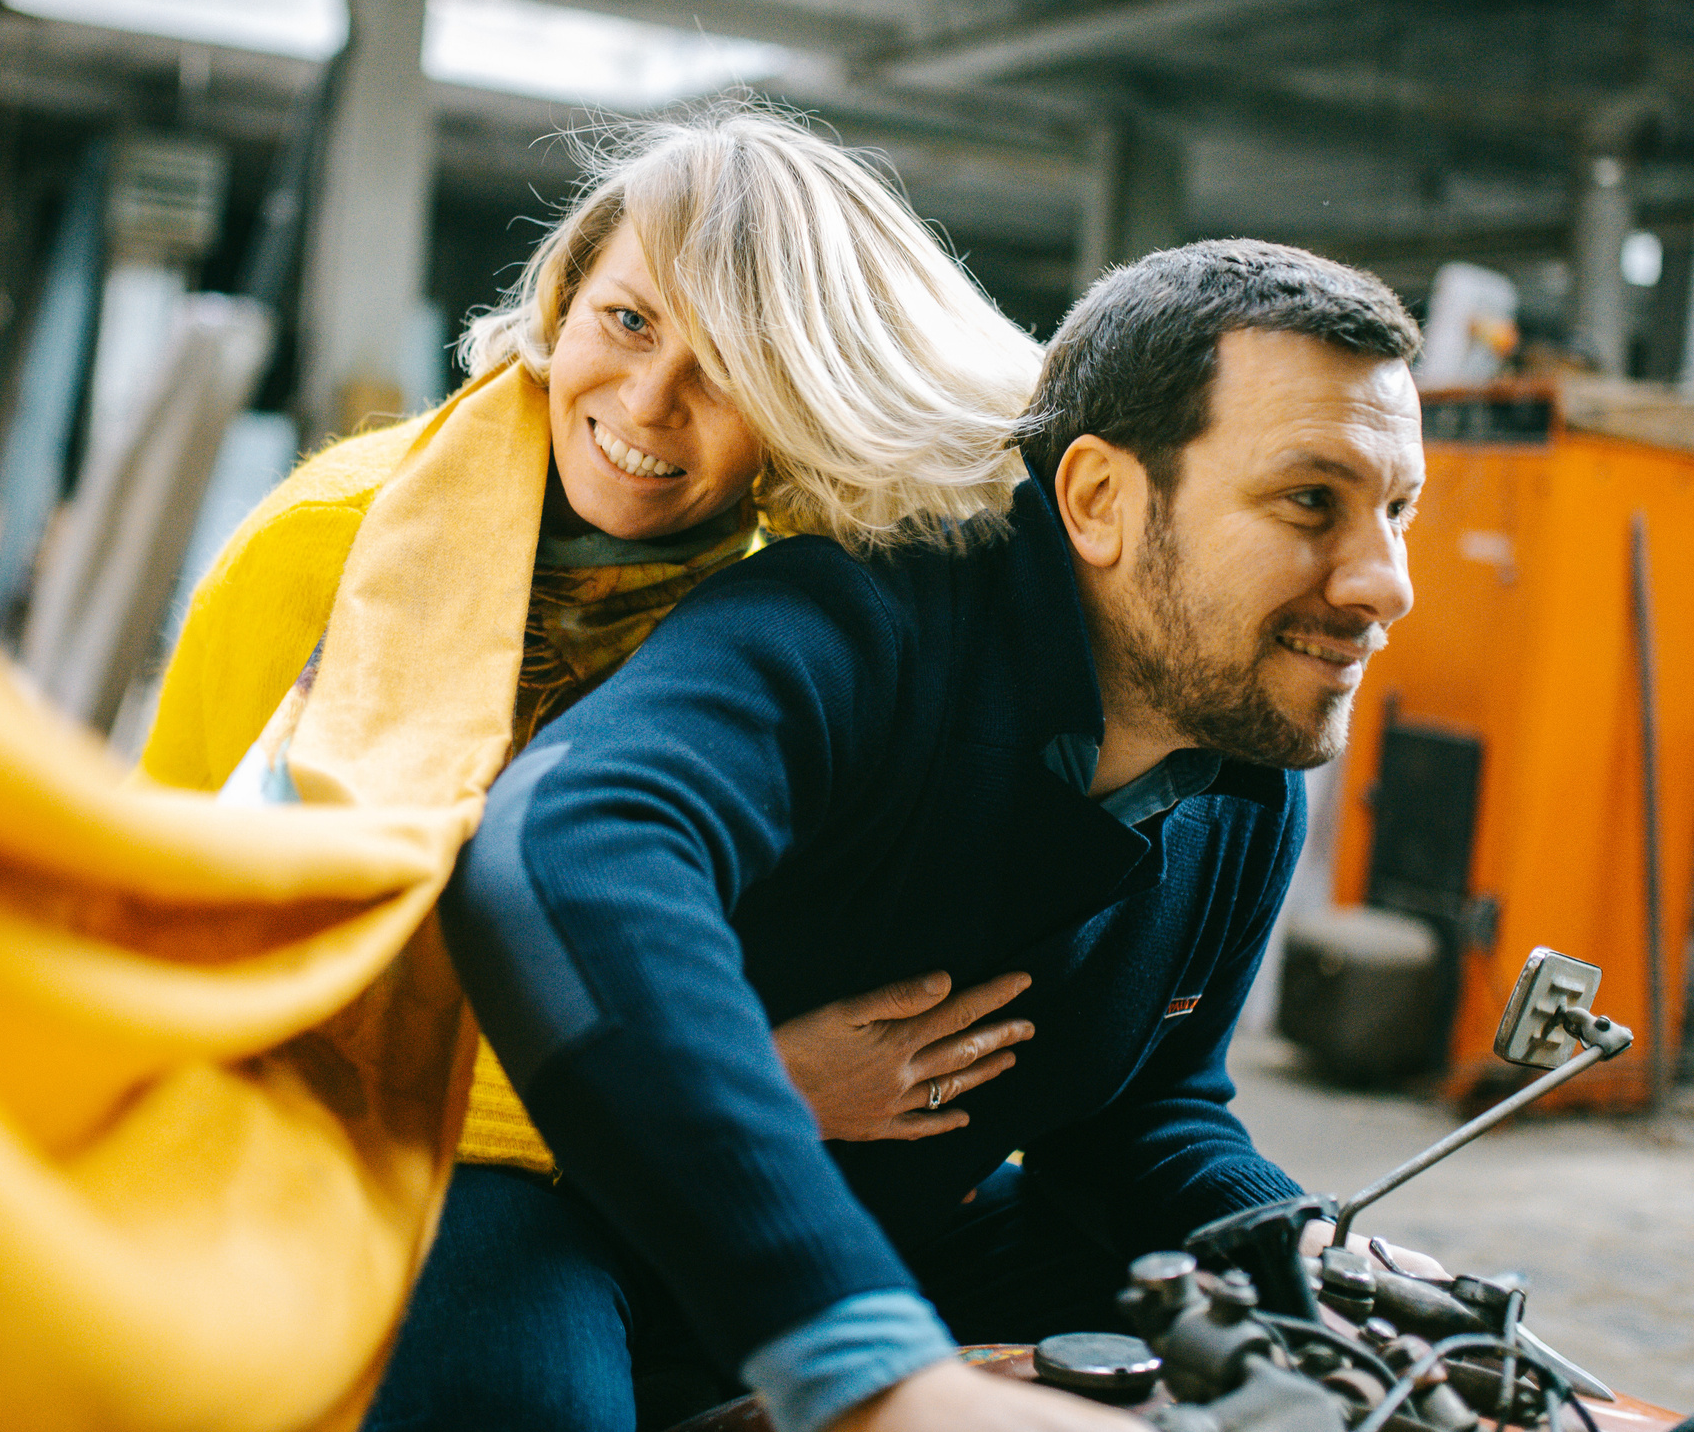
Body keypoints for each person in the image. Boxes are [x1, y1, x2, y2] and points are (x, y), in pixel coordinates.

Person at [425, 239, 1428, 1432]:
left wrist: (1300, 1251)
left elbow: (1142, 1114)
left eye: (1397, 509)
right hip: (557, 1205)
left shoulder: (1241, 785)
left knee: (1280, 1362)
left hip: (879, 1231)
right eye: (1311, 501)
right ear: (1099, 501)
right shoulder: (861, 617)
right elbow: (568, 845)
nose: (1385, 582)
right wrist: (863, 1361)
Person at [134, 103, 1056, 1361]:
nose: (649, 400)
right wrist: (745, 1089)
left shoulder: (784, 596)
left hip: (632, 1151)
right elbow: (180, 939)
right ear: (562, 298)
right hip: (313, 1141)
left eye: (729, 368)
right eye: (627, 320)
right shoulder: (328, 545)